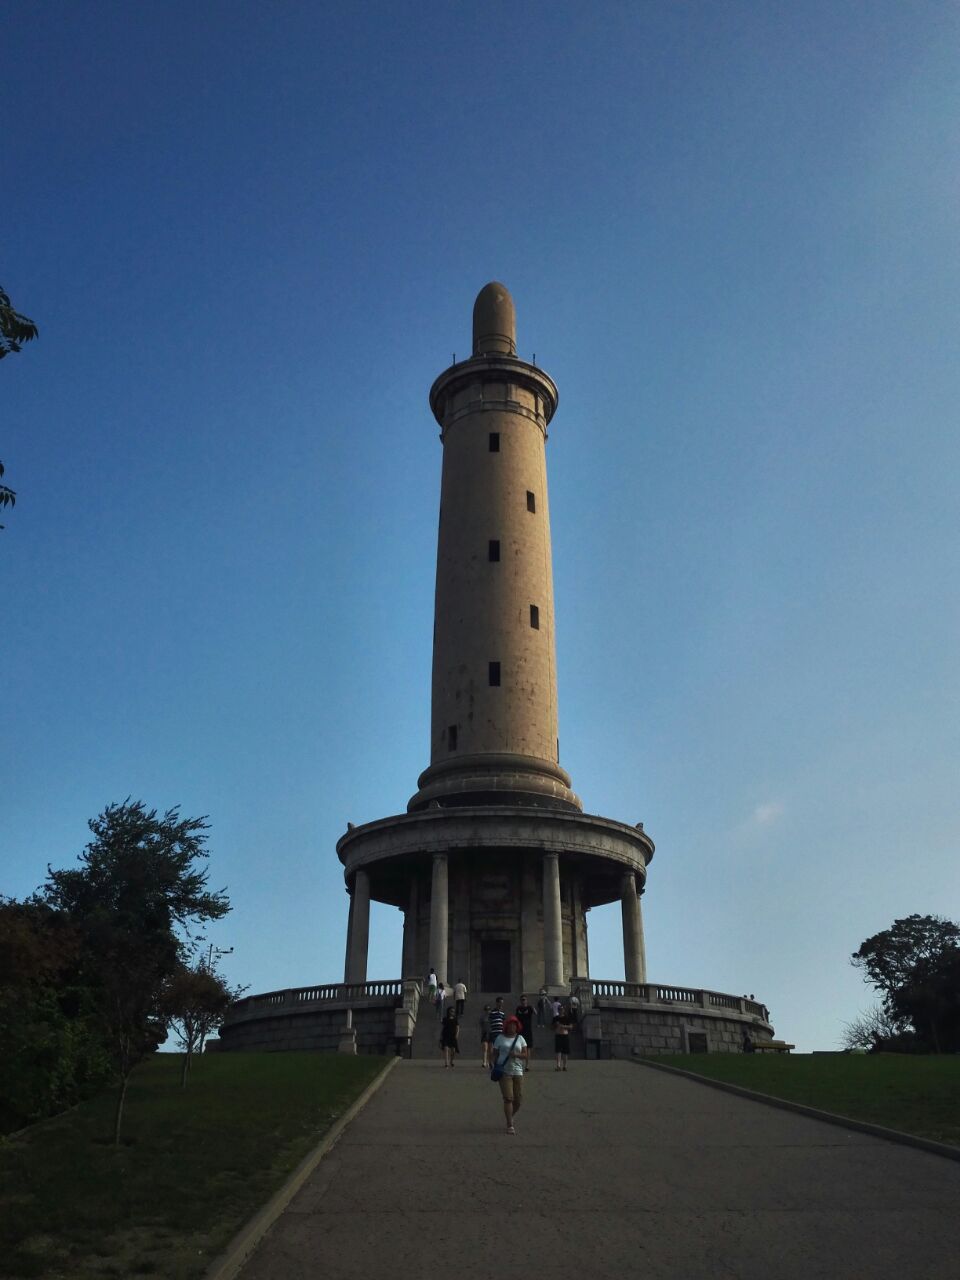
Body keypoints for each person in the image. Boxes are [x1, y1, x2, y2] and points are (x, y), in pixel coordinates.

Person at [491, 1014, 527, 1135]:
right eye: (510, 1025)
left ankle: (510, 1115)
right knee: (508, 1098)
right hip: (504, 1071)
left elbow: (526, 1055)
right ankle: (509, 1124)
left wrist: (516, 1055)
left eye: (514, 1025)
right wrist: (494, 1064)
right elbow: (495, 1053)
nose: (512, 1027)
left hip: (518, 1071)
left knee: (518, 1099)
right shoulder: (500, 1038)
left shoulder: (521, 1038)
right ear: (506, 1026)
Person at [515, 994, 535, 1066]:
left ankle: (527, 1065)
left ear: (527, 1000)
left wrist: (533, 1008)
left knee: (528, 1047)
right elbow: (516, 1018)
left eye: (524, 999)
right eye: (522, 1000)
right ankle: (519, 1064)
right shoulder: (518, 1008)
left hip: (528, 1030)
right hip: (520, 1030)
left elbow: (536, 1013)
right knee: (519, 1047)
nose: (523, 1001)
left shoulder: (529, 1008)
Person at [553, 1003, 572, 1070]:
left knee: (565, 1052)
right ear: (558, 1010)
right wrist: (555, 1025)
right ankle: (558, 1065)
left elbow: (571, 1026)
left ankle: (565, 1066)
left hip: (565, 1035)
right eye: (560, 1009)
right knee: (558, 1051)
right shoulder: (555, 1018)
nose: (561, 1010)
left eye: (562, 1009)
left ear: (564, 1010)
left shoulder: (567, 1018)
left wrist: (564, 1026)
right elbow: (551, 1027)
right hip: (558, 1035)